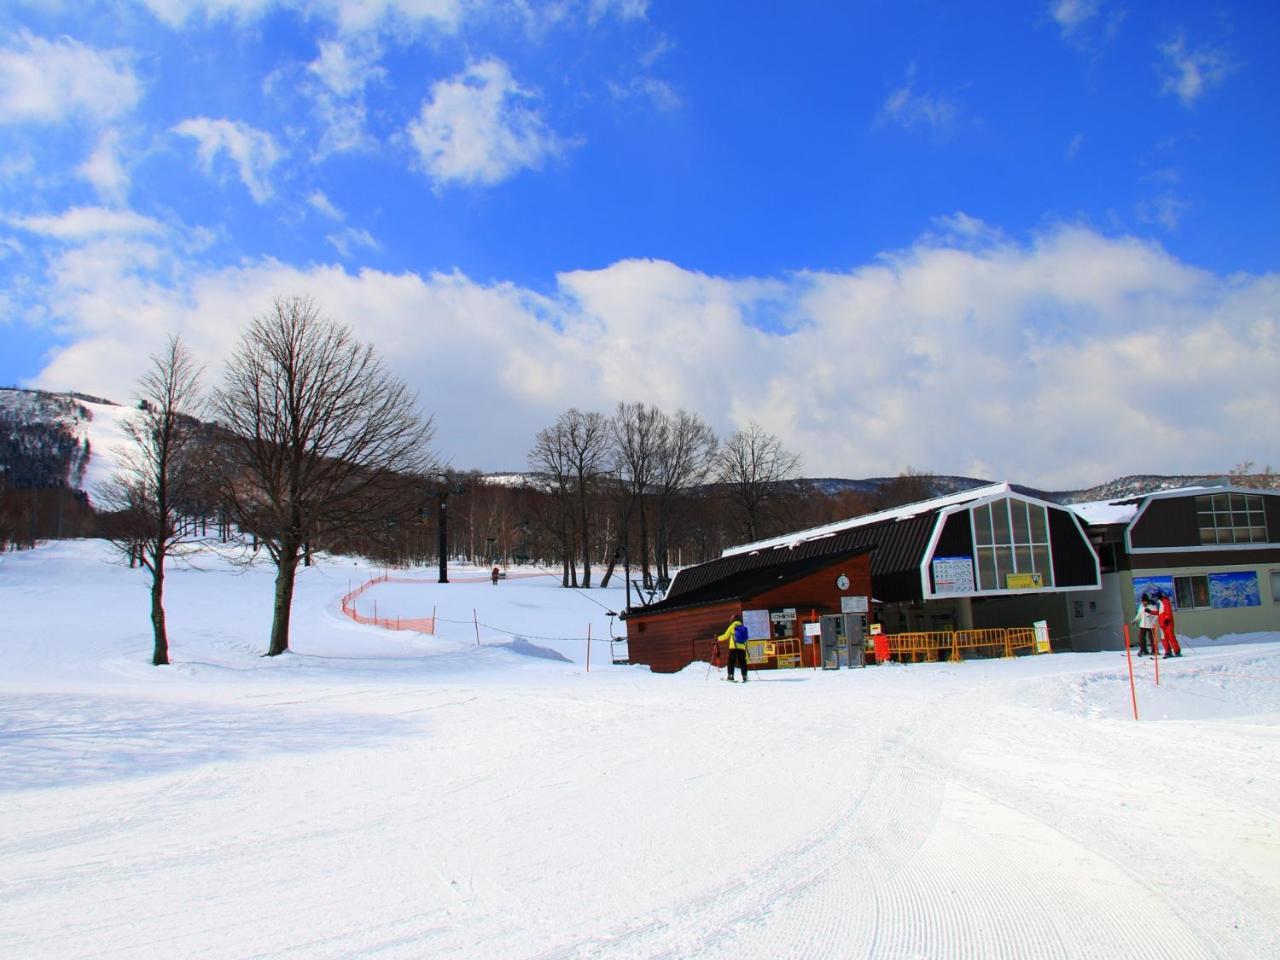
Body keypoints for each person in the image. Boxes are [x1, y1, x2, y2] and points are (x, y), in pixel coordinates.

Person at [720, 613, 750, 682]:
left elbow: (725, 636)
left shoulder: (732, 627)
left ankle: (730, 676)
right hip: (742, 648)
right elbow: (746, 639)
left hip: (733, 647)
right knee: (742, 662)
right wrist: (746, 648)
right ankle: (744, 676)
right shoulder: (743, 627)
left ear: (732, 620)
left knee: (731, 662)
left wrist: (717, 639)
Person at [1156, 591, 1182, 658]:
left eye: (1157, 596)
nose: (1157, 598)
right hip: (1162, 623)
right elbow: (1159, 613)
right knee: (1164, 638)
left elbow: (1168, 611)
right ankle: (1168, 651)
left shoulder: (1165, 601)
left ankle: (1177, 651)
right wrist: (1150, 611)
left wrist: (1167, 618)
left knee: (1171, 637)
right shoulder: (1159, 603)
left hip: (1167, 623)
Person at [1131, 592, 1159, 657]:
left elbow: (1156, 615)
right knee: (1141, 637)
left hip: (1150, 624)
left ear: (1147, 601)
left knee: (1152, 638)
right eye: (1142, 602)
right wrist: (1135, 620)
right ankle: (1143, 650)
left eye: (1145, 601)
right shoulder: (1141, 607)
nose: (1144, 603)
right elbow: (1139, 615)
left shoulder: (1152, 606)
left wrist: (1153, 622)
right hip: (1143, 624)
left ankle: (1154, 650)